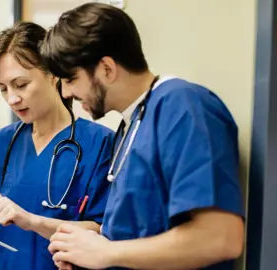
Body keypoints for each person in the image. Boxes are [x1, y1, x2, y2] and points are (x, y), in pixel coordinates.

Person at [40, 3, 245, 270]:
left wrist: (108, 253)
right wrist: (86, 249)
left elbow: (221, 237)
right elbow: (137, 231)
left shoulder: (183, 107)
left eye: (70, 79)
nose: (66, 94)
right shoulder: (131, 123)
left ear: (106, 69)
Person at [0, 21, 114, 270]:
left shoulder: (99, 143)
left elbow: (103, 230)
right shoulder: (3, 142)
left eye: (21, 85)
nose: (12, 99)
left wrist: (32, 221)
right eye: (2, 89)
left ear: (53, 75)